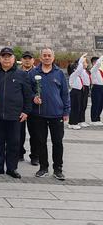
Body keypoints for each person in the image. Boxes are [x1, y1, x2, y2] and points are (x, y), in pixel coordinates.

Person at [0, 47, 32, 179]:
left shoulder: (21, 75)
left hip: (15, 116)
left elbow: (28, 95)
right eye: (4, 56)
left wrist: (26, 111)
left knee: (14, 143)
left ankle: (12, 168)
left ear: (13, 59)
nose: (6, 59)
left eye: (9, 56)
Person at [30, 47, 70, 180]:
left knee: (57, 142)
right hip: (39, 114)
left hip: (56, 114)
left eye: (49, 55)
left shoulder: (59, 73)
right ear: (40, 58)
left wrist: (66, 111)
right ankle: (43, 167)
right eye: (44, 55)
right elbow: (27, 90)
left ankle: (58, 169)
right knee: (40, 142)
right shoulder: (34, 72)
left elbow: (65, 93)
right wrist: (33, 97)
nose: (47, 57)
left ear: (53, 57)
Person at [19, 51, 38, 165]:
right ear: (21, 60)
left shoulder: (37, 72)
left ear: (33, 60)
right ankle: (19, 153)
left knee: (35, 133)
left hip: (34, 107)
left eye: (29, 58)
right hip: (20, 106)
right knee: (19, 132)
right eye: (25, 58)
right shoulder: (17, 71)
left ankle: (35, 156)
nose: (27, 60)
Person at [68, 54, 90, 130]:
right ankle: (72, 123)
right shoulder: (73, 75)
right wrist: (81, 60)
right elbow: (79, 70)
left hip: (79, 91)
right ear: (73, 69)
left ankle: (76, 121)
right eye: (76, 67)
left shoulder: (77, 75)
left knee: (78, 107)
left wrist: (82, 61)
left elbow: (80, 71)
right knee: (74, 108)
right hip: (74, 92)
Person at [90, 55, 103, 126]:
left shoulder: (100, 70)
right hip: (96, 88)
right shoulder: (93, 69)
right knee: (96, 104)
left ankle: (97, 118)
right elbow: (98, 63)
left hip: (102, 88)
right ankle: (94, 119)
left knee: (100, 104)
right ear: (93, 63)